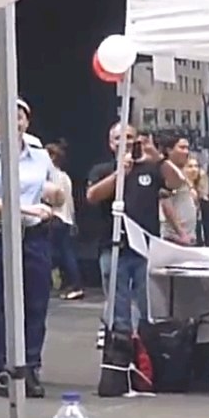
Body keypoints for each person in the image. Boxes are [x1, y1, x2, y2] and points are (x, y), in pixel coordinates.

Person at [0, 101, 62, 398]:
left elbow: (49, 189)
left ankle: (30, 365)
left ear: (26, 121)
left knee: (35, 302)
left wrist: (54, 198)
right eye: (7, 117)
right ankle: (1, 366)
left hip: (33, 237)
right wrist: (25, 208)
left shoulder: (38, 155)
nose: (15, 122)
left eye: (20, 116)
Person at [86, 125, 179, 339]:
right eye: (119, 138)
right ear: (111, 143)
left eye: (130, 137)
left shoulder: (151, 168)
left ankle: (149, 348)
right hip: (113, 246)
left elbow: (176, 183)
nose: (125, 142)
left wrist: (159, 158)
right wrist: (120, 174)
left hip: (145, 248)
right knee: (118, 306)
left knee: (148, 305)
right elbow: (92, 196)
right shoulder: (102, 170)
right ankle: (121, 347)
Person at [46, 141, 84, 300]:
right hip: (65, 218)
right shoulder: (65, 177)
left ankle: (70, 283)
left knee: (53, 253)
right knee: (65, 252)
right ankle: (73, 283)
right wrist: (73, 220)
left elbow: (52, 198)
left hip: (55, 217)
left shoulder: (52, 176)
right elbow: (71, 202)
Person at [159, 131, 202, 245]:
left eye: (187, 148)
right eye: (182, 148)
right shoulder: (168, 170)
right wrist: (181, 234)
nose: (186, 152)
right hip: (175, 238)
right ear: (169, 150)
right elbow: (165, 202)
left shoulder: (179, 171)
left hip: (187, 236)